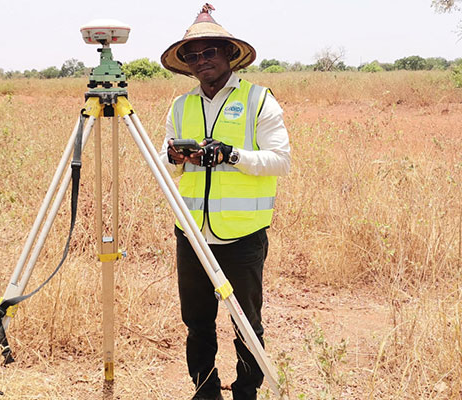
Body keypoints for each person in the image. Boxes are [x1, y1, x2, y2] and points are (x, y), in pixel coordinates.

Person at [159, 4, 291, 400]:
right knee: (197, 323)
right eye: (193, 56)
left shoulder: (258, 100)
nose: (202, 61)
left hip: (243, 237)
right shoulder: (181, 107)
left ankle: (246, 391)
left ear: (228, 54)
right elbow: (165, 164)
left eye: (209, 52)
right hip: (193, 235)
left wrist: (231, 155)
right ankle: (205, 390)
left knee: (246, 322)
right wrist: (175, 157)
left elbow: (281, 161)